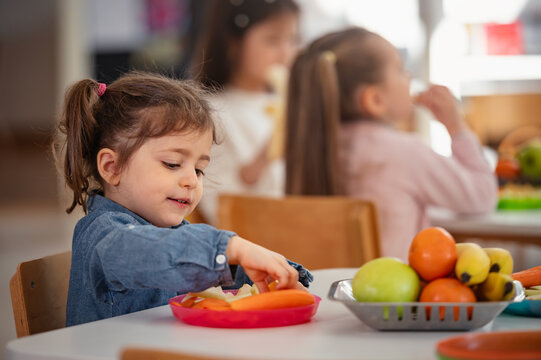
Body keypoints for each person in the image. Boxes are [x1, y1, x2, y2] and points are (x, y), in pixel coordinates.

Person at [53, 72, 312, 327]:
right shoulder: (104, 235)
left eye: (199, 169)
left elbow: (206, 270)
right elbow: (156, 252)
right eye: (173, 164)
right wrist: (230, 248)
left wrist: (274, 275)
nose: (192, 180)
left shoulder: (175, 233)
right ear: (112, 167)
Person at [285, 27, 498, 261]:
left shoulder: (312, 148)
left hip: (329, 292)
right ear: (375, 100)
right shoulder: (404, 152)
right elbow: (482, 196)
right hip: (394, 296)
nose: (408, 77)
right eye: (400, 69)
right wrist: (456, 126)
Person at [190, 0, 300, 224]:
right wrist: (267, 154)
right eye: (272, 40)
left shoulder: (293, 104)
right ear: (233, 43)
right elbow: (219, 209)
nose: (285, 53)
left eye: (293, 39)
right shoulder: (209, 111)